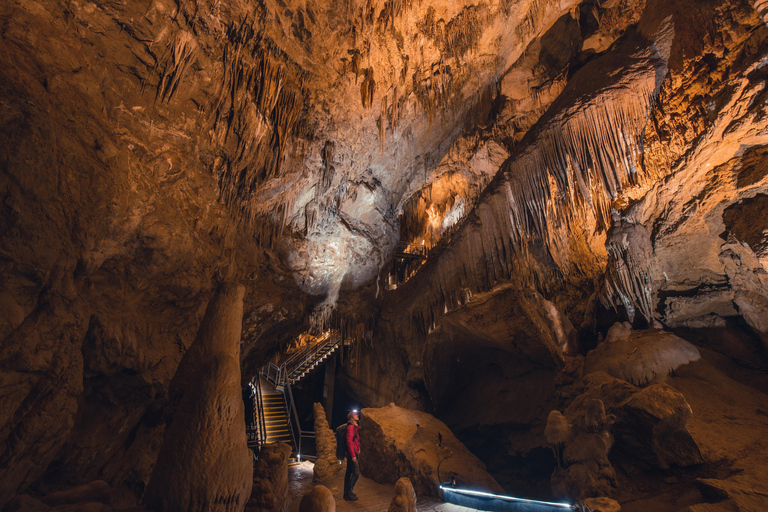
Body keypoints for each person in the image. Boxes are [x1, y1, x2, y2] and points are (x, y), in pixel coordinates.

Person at [344, 411, 361, 501]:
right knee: (356, 473)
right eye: (355, 414)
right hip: (351, 455)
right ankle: (349, 492)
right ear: (351, 417)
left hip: (353, 453)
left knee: (349, 474)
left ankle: (347, 494)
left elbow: (355, 440)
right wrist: (353, 455)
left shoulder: (354, 427)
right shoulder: (350, 427)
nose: (357, 415)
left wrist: (358, 448)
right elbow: (349, 442)